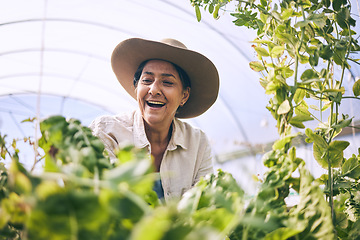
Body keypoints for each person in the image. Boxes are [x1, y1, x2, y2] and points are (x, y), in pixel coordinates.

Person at [90, 38, 219, 201]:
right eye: (147, 80)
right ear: (137, 87)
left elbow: (201, 206)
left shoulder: (197, 143)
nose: (154, 89)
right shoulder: (108, 131)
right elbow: (101, 198)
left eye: (167, 82)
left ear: (184, 96)